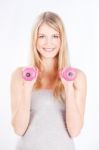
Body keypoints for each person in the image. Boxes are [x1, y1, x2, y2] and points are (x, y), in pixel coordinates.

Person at [10, 11, 87, 150]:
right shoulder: (19, 75)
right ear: (35, 39)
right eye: (42, 36)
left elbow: (75, 131)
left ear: (62, 39)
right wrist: (27, 87)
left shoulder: (77, 78)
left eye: (55, 36)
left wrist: (68, 87)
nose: (48, 43)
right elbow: (19, 130)